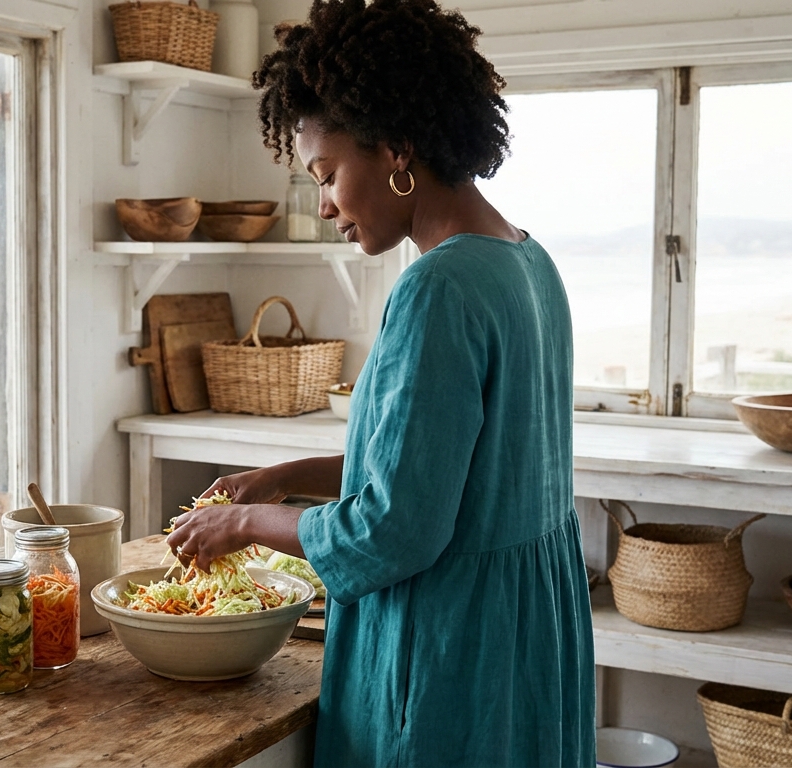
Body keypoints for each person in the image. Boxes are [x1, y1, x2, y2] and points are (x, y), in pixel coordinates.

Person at [164, 0, 596, 764]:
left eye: (327, 175)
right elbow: (447, 468)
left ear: (396, 149)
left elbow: (392, 530)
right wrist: (285, 476)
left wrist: (239, 525)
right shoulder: (529, 261)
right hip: (525, 635)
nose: (324, 205)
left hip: (447, 652)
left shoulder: (438, 288)